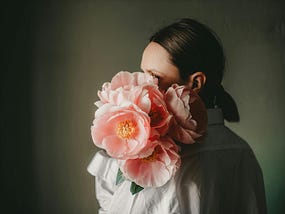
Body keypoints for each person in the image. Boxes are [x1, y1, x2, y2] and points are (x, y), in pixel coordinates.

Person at [88, 18, 267, 214]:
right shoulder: (241, 152)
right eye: (142, 73)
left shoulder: (167, 160)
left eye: (154, 76)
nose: (142, 85)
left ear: (195, 84)